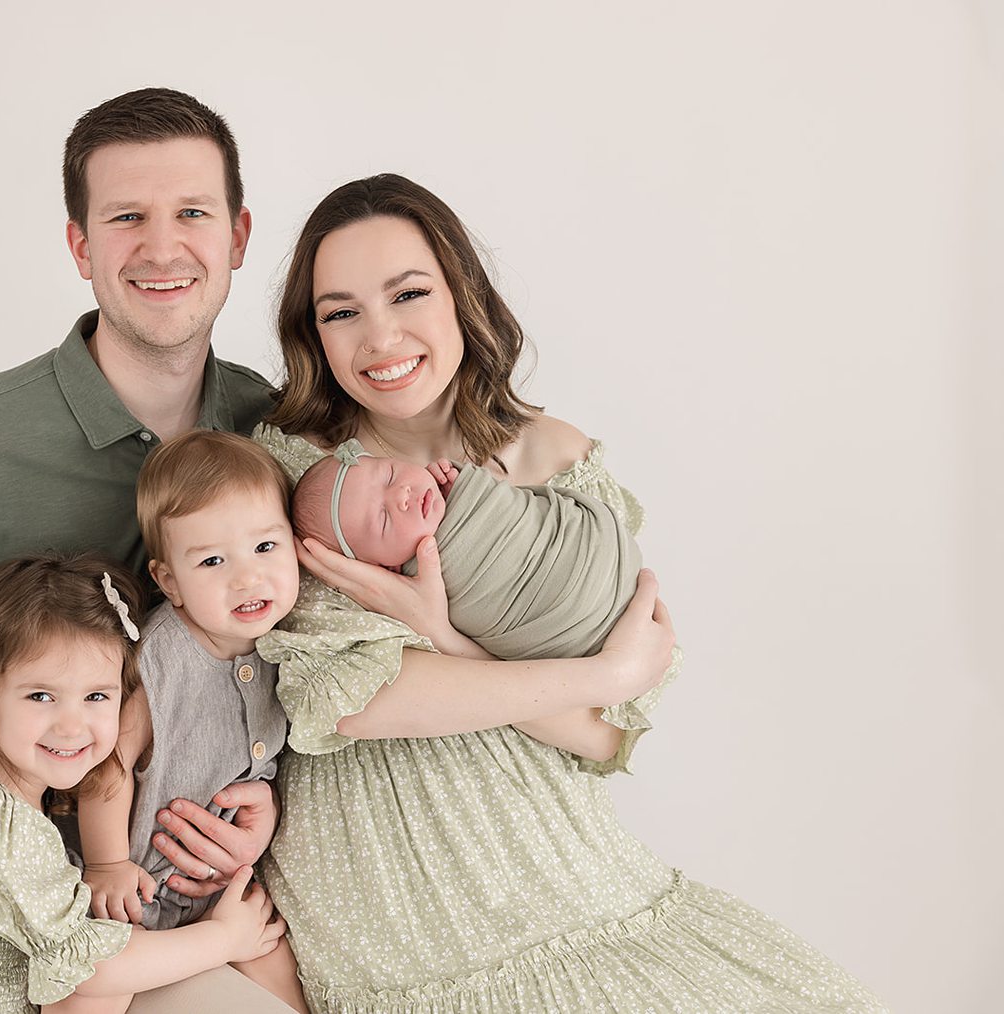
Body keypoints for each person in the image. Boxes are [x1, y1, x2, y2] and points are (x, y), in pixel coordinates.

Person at [251, 173, 885, 1011]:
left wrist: (447, 638)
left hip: (559, 869)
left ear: (460, 295)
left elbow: (599, 738)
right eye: (341, 312)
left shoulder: (556, 461)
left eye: (409, 293)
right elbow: (353, 698)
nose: (381, 336)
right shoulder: (292, 475)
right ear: (314, 336)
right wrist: (600, 677)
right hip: (390, 909)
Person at [0, 88, 290, 1010]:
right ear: (81, 245)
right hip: (25, 907)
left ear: (239, 236)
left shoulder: (268, 430)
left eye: (192, 214)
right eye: (126, 217)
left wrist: (263, 796)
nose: (163, 249)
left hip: (187, 881)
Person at [0, 553, 284, 1014]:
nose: (71, 726)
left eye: (96, 696)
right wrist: (223, 939)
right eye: (41, 695)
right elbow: (90, 967)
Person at [77, 430, 308, 1012]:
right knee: (87, 988)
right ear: (168, 581)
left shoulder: (284, 647)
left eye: (265, 547)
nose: (247, 578)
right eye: (212, 560)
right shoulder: (160, 660)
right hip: (136, 889)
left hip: (215, 885)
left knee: (277, 959)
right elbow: (107, 759)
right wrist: (107, 865)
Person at [292, 442, 643, 664]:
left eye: (390, 474)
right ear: (383, 567)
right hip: (564, 618)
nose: (402, 495)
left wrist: (460, 487)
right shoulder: (409, 587)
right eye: (383, 519)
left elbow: (512, 507)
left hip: (596, 546)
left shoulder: (465, 483)